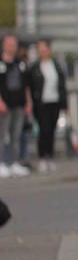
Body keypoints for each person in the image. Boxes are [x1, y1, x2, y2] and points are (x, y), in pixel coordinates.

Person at [27, 38, 68, 174]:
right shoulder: (34, 67)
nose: (43, 52)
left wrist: (65, 105)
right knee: (43, 130)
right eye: (40, 50)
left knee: (51, 130)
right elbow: (30, 87)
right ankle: (42, 158)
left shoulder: (56, 66)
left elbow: (62, 86)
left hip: (54, 102)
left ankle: (50, 157)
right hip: (41, 103)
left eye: (45, 49)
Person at [0, 34, 33, 178]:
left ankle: (13, 163)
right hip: (4, 105)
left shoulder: (20, 64)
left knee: (16, 135)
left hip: (18, 105)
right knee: (2, 135)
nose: (11, 46)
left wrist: (28, 102)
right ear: (3, 45)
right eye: (8, 44)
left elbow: (26, 86)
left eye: (13, 44)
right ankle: (1, 163)